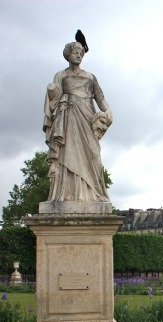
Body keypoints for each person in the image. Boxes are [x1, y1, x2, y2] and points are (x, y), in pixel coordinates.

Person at [43, 31, 113, 202]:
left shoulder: (90, 77)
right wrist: (52, 91)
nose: (79, 55)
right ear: (68, 55)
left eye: (81, 53)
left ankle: (95, 193)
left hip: (88, 118)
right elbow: (55, 98)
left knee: (94, 155)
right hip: (68, 118)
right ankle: (67, 195)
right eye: (75, 52)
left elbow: (100, 98)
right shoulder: (61, 75)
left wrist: (108, 112)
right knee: (67, 155)